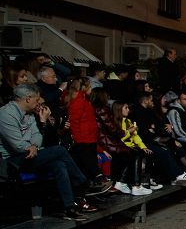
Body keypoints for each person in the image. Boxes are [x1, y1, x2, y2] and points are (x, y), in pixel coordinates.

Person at [0, 84, 109, 220]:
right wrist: (32, 146)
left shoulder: (29, 114)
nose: (39, 102)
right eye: (37, 99)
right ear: (28, 98)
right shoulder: (6, 114)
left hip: (31, 155)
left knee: (58, 164)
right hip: (13, 161)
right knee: (59, 150)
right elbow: (17, 146)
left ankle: (69, 208)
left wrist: (35, 141)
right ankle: (85, 184)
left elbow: (37, 137)